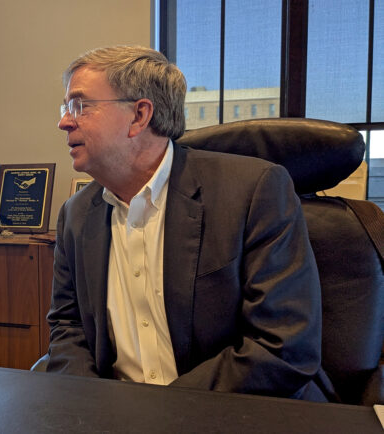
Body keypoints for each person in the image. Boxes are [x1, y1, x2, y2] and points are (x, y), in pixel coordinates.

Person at [46, 45, 334, 401]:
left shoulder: (253, 192)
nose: (64, 121)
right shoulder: (75, 214)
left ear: (139, 115)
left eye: (80, 106)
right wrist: (92, 407)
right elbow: (68, 327)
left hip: (233, 412)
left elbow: (283, 347)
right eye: (66, 108)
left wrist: (164, 413)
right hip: (115, 413)